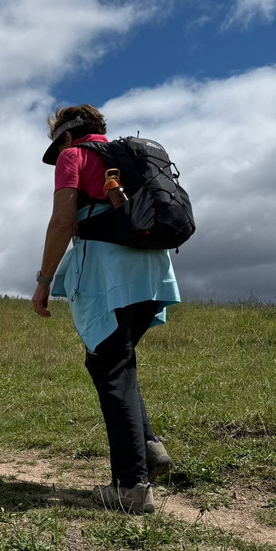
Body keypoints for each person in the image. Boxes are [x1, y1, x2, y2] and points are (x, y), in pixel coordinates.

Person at [32, 104, 180, 514]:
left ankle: (132, 487)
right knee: (116, 362)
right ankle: (148, 447)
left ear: (65, 135)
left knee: (111, 367)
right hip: (154, 272)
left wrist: (44, 281)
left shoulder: (72, 155)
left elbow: (62, 222)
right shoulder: (129, 156)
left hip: (110, 272)